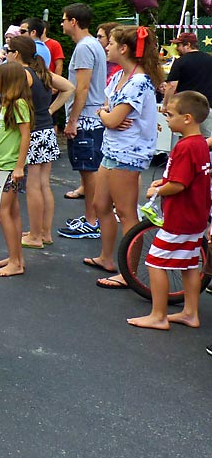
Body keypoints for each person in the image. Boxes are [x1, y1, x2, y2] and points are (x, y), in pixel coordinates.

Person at [85, 25, 162, 290]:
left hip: (128, 154)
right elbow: (108, 112)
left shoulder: (138, 81)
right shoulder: (121, 77)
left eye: (111, 43)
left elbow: (112, 117)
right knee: (100, 204)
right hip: (113, 150)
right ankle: (107, 258)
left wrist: (106, 116)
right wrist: (107, 115)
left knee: (126, 212)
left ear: (124, 48)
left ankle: (128, 272)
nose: (106, 46)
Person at [127, 91, 211, 330]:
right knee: (189, 263)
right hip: (196, 216)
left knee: (155, 263)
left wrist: (158, 190)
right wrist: (163, 184)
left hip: (180, 217)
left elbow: (179, 184)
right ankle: (190, 312)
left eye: (170, 115)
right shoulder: (199, 144)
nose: (166, 119)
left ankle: (159, 315)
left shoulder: (185, 147)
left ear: (187, 118)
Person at [6, 36, 75, 249]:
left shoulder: (23, 74)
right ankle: (44, 232)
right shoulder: (42, 73)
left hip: (34, 133)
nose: (6, 54)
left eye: (8, 50)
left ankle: (35, 235)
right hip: (47, 131)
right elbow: (69, 87)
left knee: (33, 185)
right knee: (44, 184)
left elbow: (10, 100)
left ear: (16, 54)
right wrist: (52, 109)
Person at [57, 3, 107, 240]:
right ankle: (92, 217)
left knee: (89, 170)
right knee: (88, 169)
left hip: (86, 118)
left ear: (74, 22)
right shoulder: (92, 45)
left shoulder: (85, 48)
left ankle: (92, 221)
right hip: (91, 116)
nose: (62, 24)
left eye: (64, 19)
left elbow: (83, 87)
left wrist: (73, 120)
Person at [0, 62, 32, 278]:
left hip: (10, 167)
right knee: (12, 211)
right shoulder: (8, 103)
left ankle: (15, 262)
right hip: (4, 164)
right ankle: (15, 256)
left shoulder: (18, 104)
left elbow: (26, 135)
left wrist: (19, 166)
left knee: (3, 211)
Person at [163, 32, 212, 137]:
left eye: (179, 45)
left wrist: (165, 104)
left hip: (185, 109)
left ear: (188, 45)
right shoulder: (209, 59)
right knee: (207, 139)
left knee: (186, 138)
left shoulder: (180, 62)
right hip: (207, 106)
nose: (177, 48)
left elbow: (171, 86)